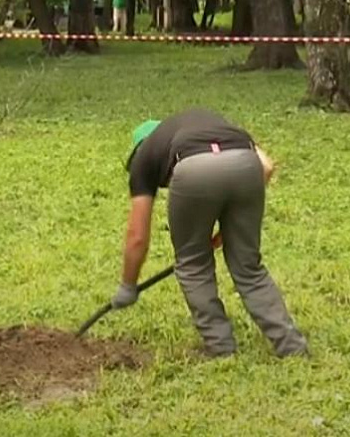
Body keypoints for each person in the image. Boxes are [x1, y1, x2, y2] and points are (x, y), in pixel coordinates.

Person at [111, 108, 308, 358]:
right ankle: (292, 346)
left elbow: (137, 237)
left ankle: (221, 347)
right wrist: (232, 227)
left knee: (193, 264)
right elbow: (267, 167)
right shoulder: (208, 124)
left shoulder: (145, 156)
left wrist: (128, 285)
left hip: (194, 168)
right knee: (248, 267)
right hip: (246, 162)